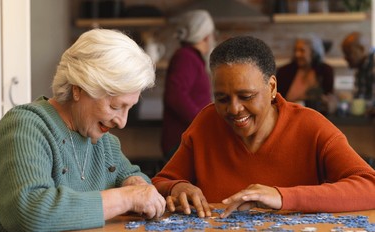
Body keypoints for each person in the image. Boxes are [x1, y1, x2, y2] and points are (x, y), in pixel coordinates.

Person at [0, 29, 166, 232]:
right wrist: (127, 198)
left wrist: (136, 184)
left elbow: (135, 180)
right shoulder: (25, 126)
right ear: (78, 88)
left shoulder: (105, 143)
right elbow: (31, 214)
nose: (122, 122)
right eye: (115, 107)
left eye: (129, 108)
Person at [152, 36, 375, 219]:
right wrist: (178, 187)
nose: (234, 109)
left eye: (246, 96)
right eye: (222, 98)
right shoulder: (206, 123)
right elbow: (161, 182)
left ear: (272, 87)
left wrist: (282, 197)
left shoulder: (311, 126)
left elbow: (370, 186)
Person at [161, 9, 215, 160]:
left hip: (187, 140)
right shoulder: (186, 57)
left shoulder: (190, 57)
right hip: (181, 142)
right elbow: (174, 96)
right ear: (206, 37)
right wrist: (202, 121)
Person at [276, 34, 334, 114]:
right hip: (287, 116)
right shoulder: (284, 71)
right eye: (295, 50)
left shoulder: (325, 71)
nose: (297, 54)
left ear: (313, 52)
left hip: (316, 117)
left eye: (302, 51)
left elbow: (328, 98)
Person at [341, 31, 375, 116]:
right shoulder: (360, 68)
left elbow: (370, 104)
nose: (345, 58)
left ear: (361, 49)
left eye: (348, 53)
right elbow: (359, 100)